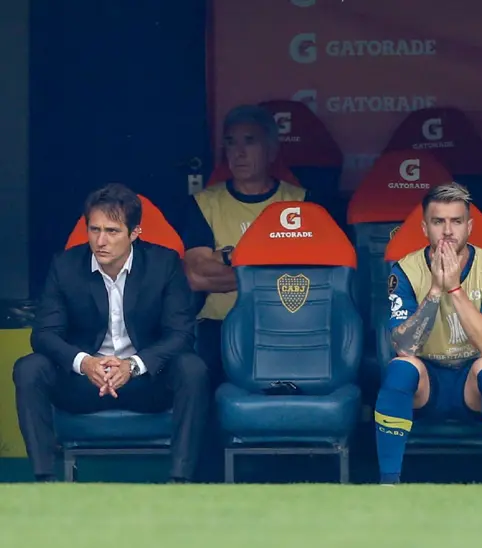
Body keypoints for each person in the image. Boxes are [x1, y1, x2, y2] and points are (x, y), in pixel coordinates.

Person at [13, 184, 209, 482]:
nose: (100, 241)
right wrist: (85, 363)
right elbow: (44, 334)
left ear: (135, 233)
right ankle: (45, 479)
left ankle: (180, 480)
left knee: (191, 368)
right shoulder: (65, 266)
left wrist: (134, 365)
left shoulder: (163, 264)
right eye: (94, 230)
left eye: (112, 231)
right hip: (84, 383)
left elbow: (181, 334)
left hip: (144, 382)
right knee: (29, 368)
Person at [373, 183, 482, 484]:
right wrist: (436, 291)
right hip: (427, 382)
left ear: (469, 226)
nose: (448, 231)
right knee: (401, 369)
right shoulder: (405, 270)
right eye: (439, 222)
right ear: (425, 227)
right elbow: (403, 345)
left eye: (456, 221)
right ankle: (388, 485)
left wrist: (454, 288)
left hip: (472, 384)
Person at [181, 105, 309, 380]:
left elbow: (308, 272)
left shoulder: (300, 202)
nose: (238, 153)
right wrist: (267, 268)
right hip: (219, 324)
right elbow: (196, 276)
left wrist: (224, 258)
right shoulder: (205, 203)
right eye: (231, 143)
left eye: (249, 142)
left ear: (271, 150)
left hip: (284, 319)